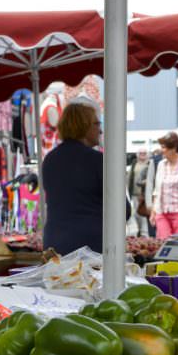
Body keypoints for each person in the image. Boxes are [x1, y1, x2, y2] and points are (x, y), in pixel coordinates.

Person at [42, 102, 129, 254]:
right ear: (83, 125)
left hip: (54, 246)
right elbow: (122, 210)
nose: (100, 130)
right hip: (91, 248)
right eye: (96, 124)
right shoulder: (98, 160)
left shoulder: (50, 159)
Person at [127, 149, 151, 236]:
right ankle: (138, 236)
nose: (142, 155)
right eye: (141, 153)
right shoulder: (134, 164)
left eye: (144, 153)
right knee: (135, 217)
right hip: (133, 196)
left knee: (144, 218)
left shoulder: (150, 164)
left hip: (145, 197)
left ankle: (145, 236)